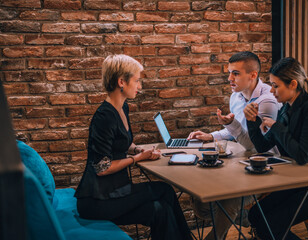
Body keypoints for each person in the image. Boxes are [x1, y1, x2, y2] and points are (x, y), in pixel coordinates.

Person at [75, 54, 192, 240]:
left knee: (160, 210)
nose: (140, 86)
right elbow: (102, 168)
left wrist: (138, 150)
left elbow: (122, 142)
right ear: (122, 81)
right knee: (165, 191)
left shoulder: (122, 108)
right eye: (137, 81)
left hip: (116, 191)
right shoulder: (104, 117)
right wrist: (137, 159)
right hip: (98, 199)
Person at [245, 57, 308, 240]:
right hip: (300, 182)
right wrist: (252, 122)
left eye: (276, 86)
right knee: (255, 215)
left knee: (271, 226)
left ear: (292, 84)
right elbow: (263, 146)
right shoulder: (286, 109)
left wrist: (276, 127)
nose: (272, 91)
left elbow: (302, 155)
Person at [188, 51, 281, 240]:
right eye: (229, 73)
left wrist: (230, 124)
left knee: (227, 200)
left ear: (253, 75)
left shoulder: (267, 102)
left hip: (268, 169)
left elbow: (256, 146)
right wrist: (210, 136)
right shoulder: (236, 96)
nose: (229, 78)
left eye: (235, 73)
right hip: (245, 161)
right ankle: (253, 219)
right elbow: (237, 132)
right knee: (201, 200)